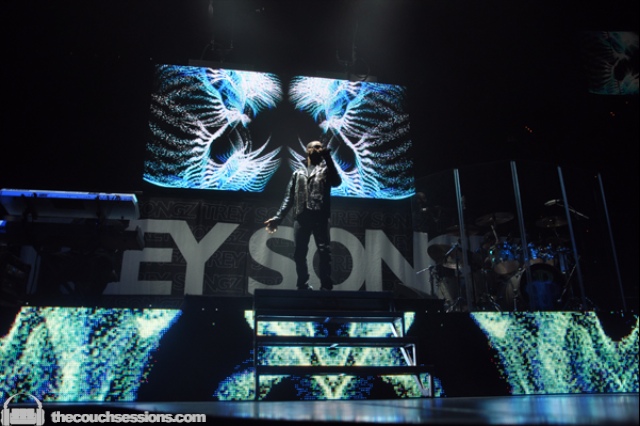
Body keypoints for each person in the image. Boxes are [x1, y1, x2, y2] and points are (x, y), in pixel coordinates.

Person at [264, 140, 342, 290]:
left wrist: (328, 159)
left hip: (320, 216)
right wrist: (278, 217)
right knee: (299, 253)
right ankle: (302, 284)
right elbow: (289, 197)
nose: (319, 149)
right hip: (301, 217)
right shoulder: (298, 172)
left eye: (321, 147)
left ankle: (326, 286)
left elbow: (337, 182)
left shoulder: (326, 169)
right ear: (308, 150)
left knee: (324, 252)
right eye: (316, 147)